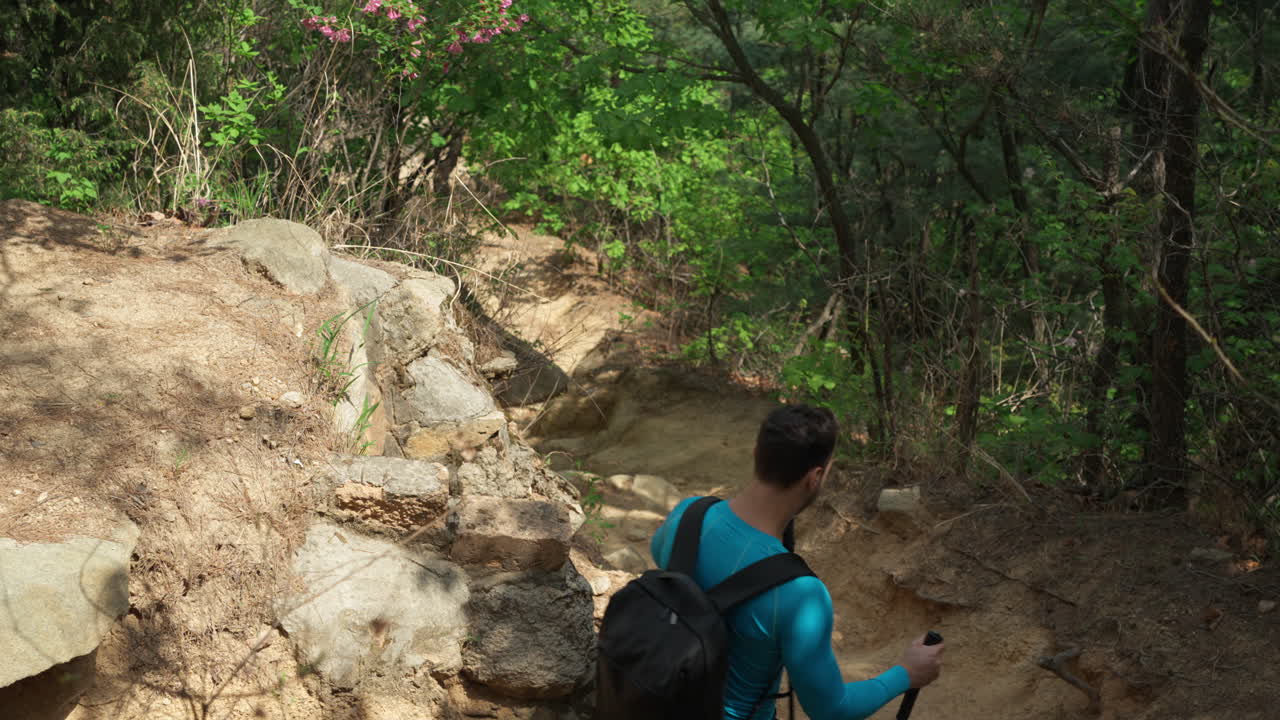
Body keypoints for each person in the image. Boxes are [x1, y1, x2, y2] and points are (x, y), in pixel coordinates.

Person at [648, 404, 945, 720]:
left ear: (755, 453)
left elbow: (662, 557)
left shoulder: (688, 515)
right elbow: (831, 709)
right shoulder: (800, 594)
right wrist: (906, 673)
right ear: (815, 477)